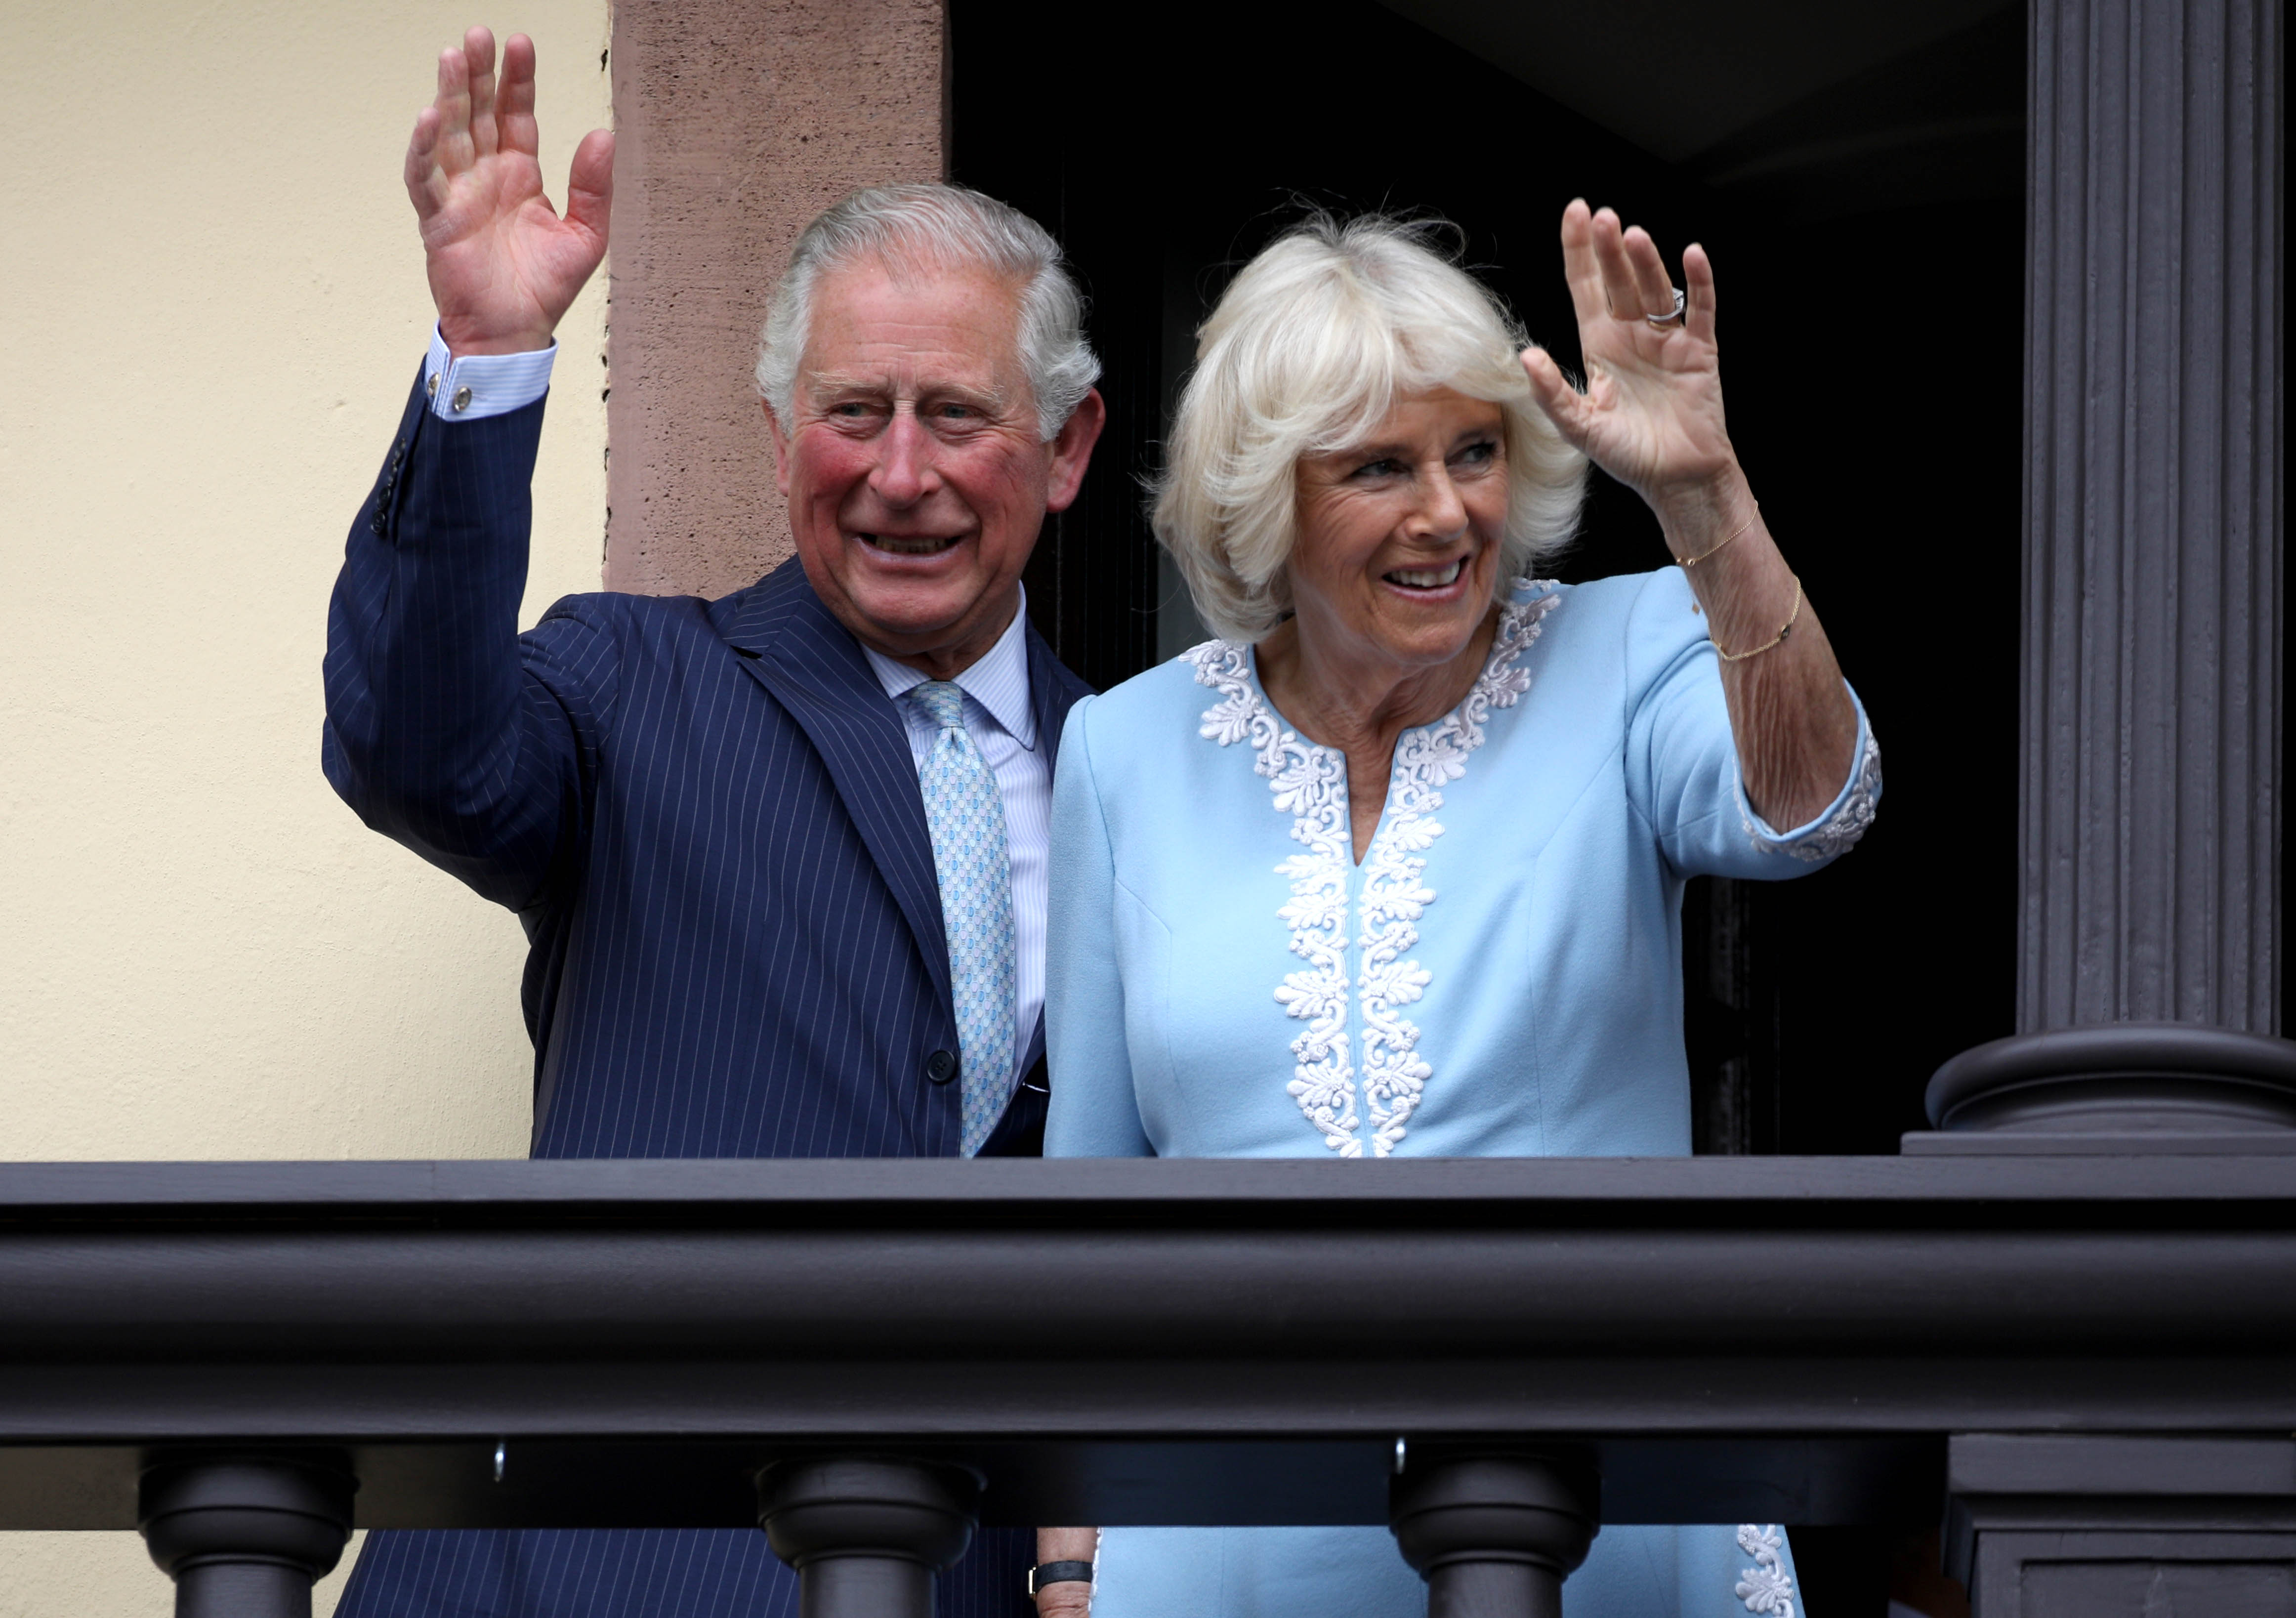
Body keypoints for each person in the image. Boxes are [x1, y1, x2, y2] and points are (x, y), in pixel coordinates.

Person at [323, 27, 1106, 1618]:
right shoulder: (634, 681)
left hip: (947, 1576)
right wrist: (487, 363)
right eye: (851, 412)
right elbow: (413, 751)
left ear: (1069, 447)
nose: (899, 475)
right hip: (589, 1565)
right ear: (777, 439)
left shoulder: (1145, 767)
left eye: (956, 414)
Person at [1038, 208, 1879, 1616]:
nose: (1448, 512)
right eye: (1381, 467)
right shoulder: (1123, 754)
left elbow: (1815, 805)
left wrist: (1707, 498)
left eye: (1474, 451)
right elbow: (1085, 1216)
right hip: (1228, 1548)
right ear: (1266, 497)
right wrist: (1070, 1560)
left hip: (1598, 1521)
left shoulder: (1629, 650)